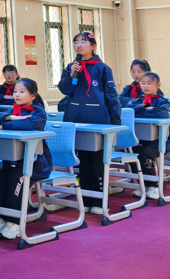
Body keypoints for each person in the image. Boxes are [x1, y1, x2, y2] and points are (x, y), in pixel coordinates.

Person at [58, 32, 120, 214]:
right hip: (76, 120)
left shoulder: (102, 68)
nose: (79, 45)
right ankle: (85, 200)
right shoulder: (71, 67)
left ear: (93, 46)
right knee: (82, 162)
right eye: (76, 42)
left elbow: (112, 97)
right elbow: (65, 90)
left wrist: (115, 124)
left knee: (97, 162)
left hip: (98, 121)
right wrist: (71, 74)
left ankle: (100, 201)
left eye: (83, 42)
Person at [0, 78, 52, 240]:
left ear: (32, 95)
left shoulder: (38, 113)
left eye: (22, 92)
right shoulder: (14, 111)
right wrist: (10, 118)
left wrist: (5, 124)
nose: (17, 94)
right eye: (15, 91)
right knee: (0, 177)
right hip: (13, 160)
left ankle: (14, 222)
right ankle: (1, 218)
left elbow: (30, 125)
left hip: (36, 163)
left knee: (17, 178)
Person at [128, 72, 169, 200]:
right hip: (140, 138)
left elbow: (161, 114)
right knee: (132, 152)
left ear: (158, 85)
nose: (145, 86)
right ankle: (143, 184)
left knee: (145, 152)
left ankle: (153, 186)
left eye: (149, 83)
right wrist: (145, 108)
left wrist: (140, 111)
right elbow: (128, 111)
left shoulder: (163, 101)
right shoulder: (137, 101)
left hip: (159, 140)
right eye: (143, 83)